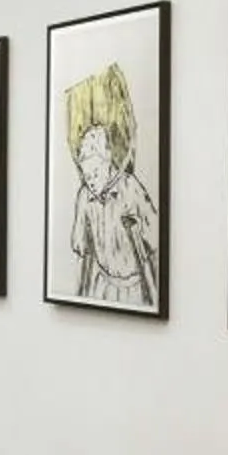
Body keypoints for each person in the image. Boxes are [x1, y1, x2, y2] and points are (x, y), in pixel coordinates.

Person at [65, 67, 158, 307]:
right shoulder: (85, 196)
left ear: (108, 159)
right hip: (101, 285)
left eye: (95, 169)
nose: (90, 177)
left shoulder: (130, 189)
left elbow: (155, 239)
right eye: (85, 169)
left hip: (134, 289)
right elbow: (80, 246)